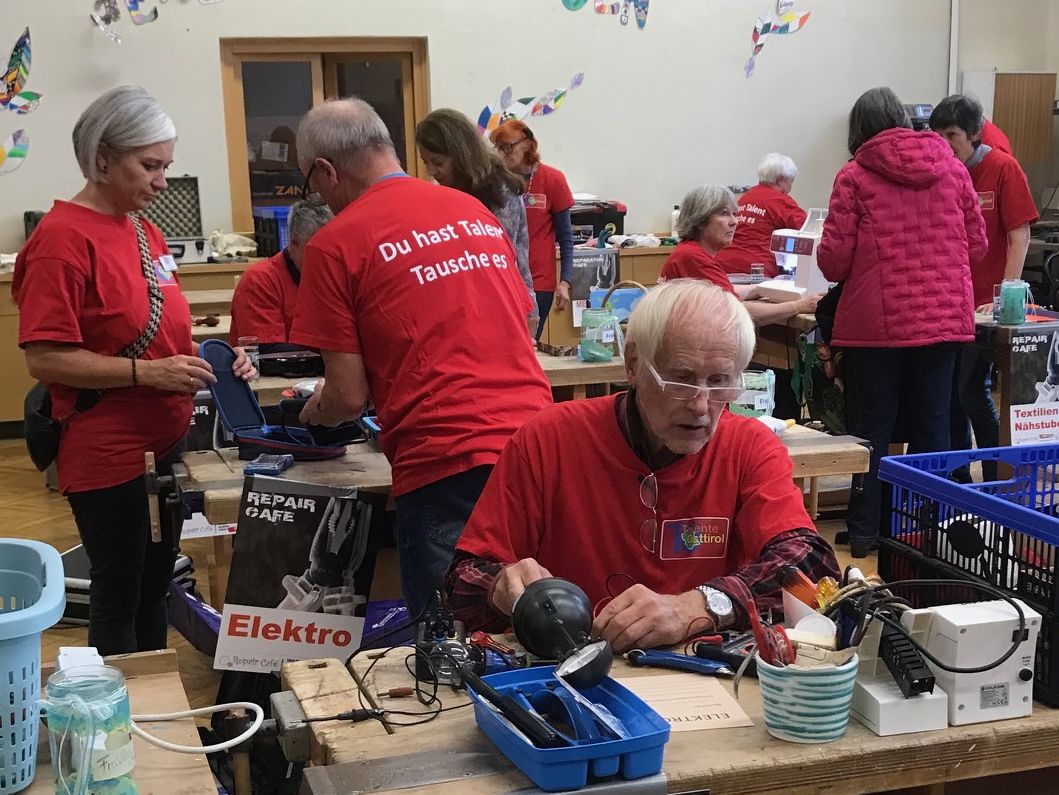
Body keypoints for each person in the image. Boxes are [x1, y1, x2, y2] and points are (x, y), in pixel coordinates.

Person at [445, 279, 839, 649]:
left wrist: (700, 605)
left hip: (703, 672)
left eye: (720, 381)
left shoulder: (748, 446)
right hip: (569, 667)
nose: (701, 406)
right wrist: (499, 586)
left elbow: (813, 567)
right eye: (681, 380)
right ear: (633, 365)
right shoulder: (550, 439)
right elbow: (462, 584)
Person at [12, 86, 256, 655]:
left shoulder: (143, 231)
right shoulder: (61, 241)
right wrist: (149, 375)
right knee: (120, 591)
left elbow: (157, 330)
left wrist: (217, 356)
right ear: (103, 159)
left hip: (163, 443)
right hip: (109, 451)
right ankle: (120, 703)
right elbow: (45, 357)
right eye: (150, 166)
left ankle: (152, 696)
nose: (162, 181)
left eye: (166, 165)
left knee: (155, 586)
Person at [290, 98, 553, 616]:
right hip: (535, 443)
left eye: (311, 185)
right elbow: (524, 320)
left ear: (325, 170)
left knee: (446, 647)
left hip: (445, 459)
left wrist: (316, 410)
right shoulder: (472, 212)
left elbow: (348, 397)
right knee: (538, 626)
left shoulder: (334, 244)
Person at [818, 86, 986, 558]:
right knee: (934, 429)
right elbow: (977, 246)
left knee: (872, 431)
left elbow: (832, 261)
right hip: (943, 320)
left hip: (876, 327)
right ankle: (929, 536)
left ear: (858, 129)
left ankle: (865, 534)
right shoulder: (952, 168)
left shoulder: (854, 175)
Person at [930, 95, 1038, 482]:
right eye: (938, 135)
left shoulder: (1003, 168)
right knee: (949, 397)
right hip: (950, 303)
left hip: (987, 307)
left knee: (970, 392)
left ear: (974, 133)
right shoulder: (943, 172)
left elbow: (1019, 236)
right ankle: (959, 478)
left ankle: (995, 477)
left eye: (952, 135)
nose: (945, 144)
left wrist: (1004, 296)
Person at [414, 109, 537, 331]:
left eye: (438, 162)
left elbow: (498, 263)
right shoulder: (450, 192)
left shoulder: (499, 189)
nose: (432, 171)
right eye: (426, 162)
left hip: (508, 305)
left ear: (461, 155)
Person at [660, 185, 820, 326]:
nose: (734, 221)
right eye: (724, 214)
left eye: (734, 214)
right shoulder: (694, 257)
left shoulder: (689, 252)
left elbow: (723, 292)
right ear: (700, 220)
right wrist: (798, 306)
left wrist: (763, 288)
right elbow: (737, 311)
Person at [490, 120, 575, 340]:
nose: (503, 154)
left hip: (539, 282)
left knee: (528, 342)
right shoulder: (495, 183)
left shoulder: (553, 179)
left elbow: (566, 237)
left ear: (528, 145)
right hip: (503, 278)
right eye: (499, 148)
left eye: (508, 147)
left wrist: (565, 282)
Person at [229, 199, 333, 353]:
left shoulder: (337, 276)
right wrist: (337, 354)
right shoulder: (260, 280)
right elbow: (268, 353)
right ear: (294, 243)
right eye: (320, 249)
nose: (329, 256)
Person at [719, 153, 808, 277]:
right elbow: (808, 229)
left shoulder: (744, 198)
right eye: (790, 182)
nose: (790, 188)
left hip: (722, 265)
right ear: (781, 180)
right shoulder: (780, 201)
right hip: (756, 270)